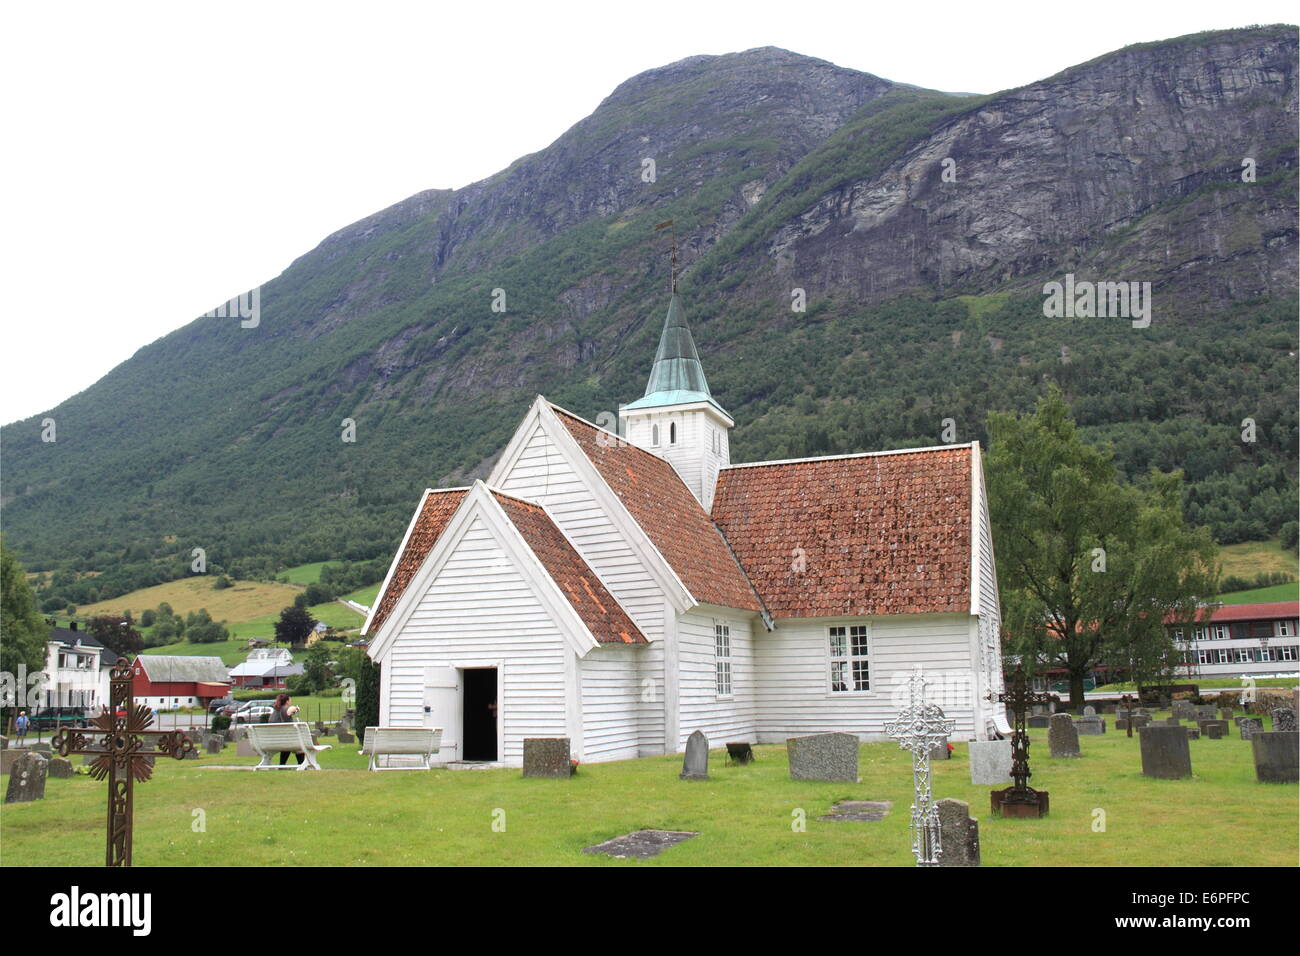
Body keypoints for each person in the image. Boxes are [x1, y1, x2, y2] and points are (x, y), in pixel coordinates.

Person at [269, 693, 304, 766]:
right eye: (290, 700)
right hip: (286, 740)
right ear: (287, 701)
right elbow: (290, 709)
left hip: (274, 741)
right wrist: (296, 708)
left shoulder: (274, 712)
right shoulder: (286, 708)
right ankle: (301, 764)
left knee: (287, 745)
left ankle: (282, 765)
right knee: (299, 746)